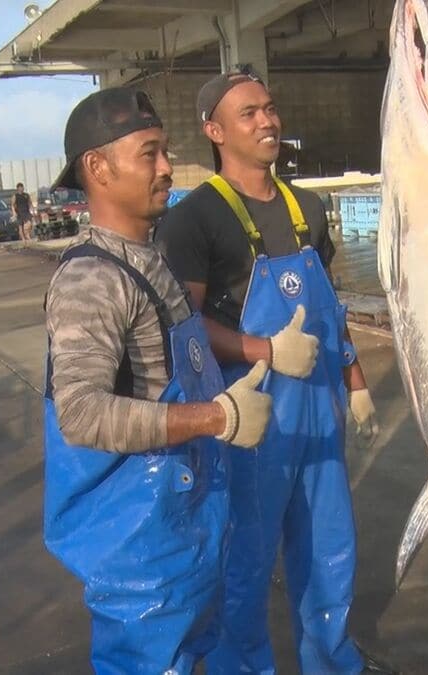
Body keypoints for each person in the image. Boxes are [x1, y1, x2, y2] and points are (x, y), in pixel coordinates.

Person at [156, 68, 384, 674]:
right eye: (249, 113)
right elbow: (188, 327)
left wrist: (355, 381)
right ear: (214, 130)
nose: (267, 122)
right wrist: (264, 350)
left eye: (270, 109)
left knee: (330, 554)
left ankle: (333, 663)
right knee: (245, 568)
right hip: (251, 423)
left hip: (317, 415)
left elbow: (329, 306)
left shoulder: (306, 207)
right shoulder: (194, 219)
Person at [42, 87, 273, 673]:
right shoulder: (92, 280)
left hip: (180, 530)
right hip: (139, 557)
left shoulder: (152, 259)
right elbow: (82, 414)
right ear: (97, 168)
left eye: (165, 150)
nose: (168, 167)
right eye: (150, 153)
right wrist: (217, 417)